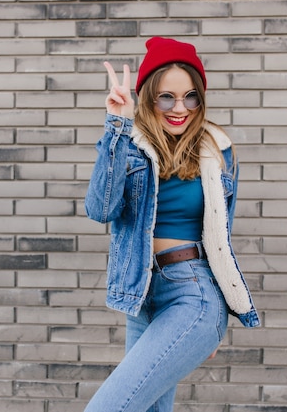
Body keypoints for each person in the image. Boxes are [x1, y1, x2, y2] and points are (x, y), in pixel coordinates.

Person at [84, 36, 260, 412]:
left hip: (194, 296)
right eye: (167, 97)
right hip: (143, 294)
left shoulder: (220, 151)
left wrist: (219, 315)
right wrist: (117, 124)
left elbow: (220, 238)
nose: (180, 108)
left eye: (190, 96)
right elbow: (101, 209)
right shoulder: (128, 145)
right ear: (149, 97)